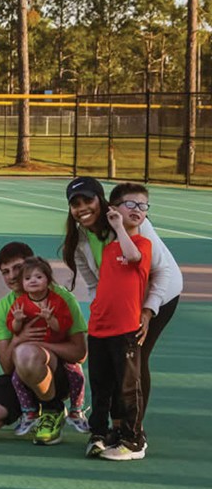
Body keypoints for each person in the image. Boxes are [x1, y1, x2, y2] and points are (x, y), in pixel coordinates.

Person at [62, 175, 181, 451]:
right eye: (75, 203)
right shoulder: (79, 239)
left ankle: (133, 431)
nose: (82, 208)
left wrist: (148, 311)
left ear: (101, 201)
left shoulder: (131, 224)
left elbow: (161, 272)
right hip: (119, 305)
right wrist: (104, 316)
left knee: (134, 358)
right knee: (110, 364)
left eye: (88, 200)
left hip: (159, 295)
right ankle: (113, 427)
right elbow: (95, 285)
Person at [0, 242, 88, 445]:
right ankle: (27, 410)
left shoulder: (61, 298)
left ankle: (52, 409)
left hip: (57, 375)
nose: (11, 276)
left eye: (17, 268)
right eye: (5, 272)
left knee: (27, 353)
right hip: (20, 379)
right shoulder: (3, 307)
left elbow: (80, 353)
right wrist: (19, 338)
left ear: (33, 264)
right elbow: (7, 367)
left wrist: (41, 346)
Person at [85, 183, 152, 461]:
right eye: (131, 204)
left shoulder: (140, 244)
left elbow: (134, 257)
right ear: (114, 208)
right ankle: (99, 434)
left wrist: (120, 227)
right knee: (101, 386)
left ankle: (133, 440)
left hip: (125, 330)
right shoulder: (111, 249)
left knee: (127, 386)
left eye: (143, 206)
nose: (138, 210)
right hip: (100, 329)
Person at [7, 256, 88, 436]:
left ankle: (76, 410)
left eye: (38, 277)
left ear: (48, 279)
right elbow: (12, 327)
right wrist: (18, 321)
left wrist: (51, 320)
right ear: (22, 284)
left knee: (76, 375)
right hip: (33, 355)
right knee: (16, 379)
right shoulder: (19, 303)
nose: (33, 281)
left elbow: (64, 326)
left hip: (58, 349)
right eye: (27, 279)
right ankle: (30, 412)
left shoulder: (58, 300)